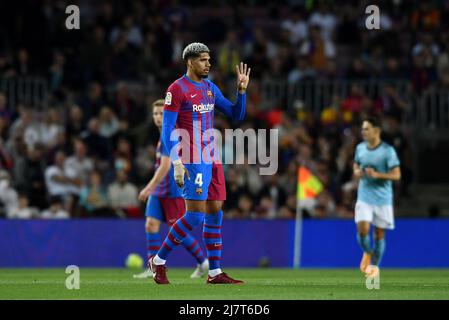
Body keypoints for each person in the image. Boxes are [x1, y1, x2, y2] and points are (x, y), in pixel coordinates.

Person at [149, 42, 250, 284]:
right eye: (203, 60)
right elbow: (167, 129)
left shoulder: (209, 88)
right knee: (195, 216)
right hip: (191, 159)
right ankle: (158, 260)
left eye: (209, 59)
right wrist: (176, 162)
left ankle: (214, 273)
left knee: (215, 211)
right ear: (190, 62)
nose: (208, 63)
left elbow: (236, 115)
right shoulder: (177, 89)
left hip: (211, 158)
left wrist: (242, 91)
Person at [134, 99, 208, 279]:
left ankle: (203, 262)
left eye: (161, 113)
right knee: (150, 225)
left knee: (176, 230)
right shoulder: (161, 137)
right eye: (155, 114)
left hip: (172, 190)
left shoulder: (172, 134)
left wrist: (147, 188)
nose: (158, 117)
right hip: (159, 190)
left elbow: (166, 166)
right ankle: (153, 267)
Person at [353, 117, 401, 278]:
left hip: (383, 198)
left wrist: (377, 175)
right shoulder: (360, 148)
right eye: (362, 129)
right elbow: (356, 165)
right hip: (364, 196)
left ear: (377, 130)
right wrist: (357, 172)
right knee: (363, 230)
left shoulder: (388, 151)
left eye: (367, 129)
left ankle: (373, 268)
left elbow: (396, 175)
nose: (363, 132)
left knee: (379, 234)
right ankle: (368, 251)